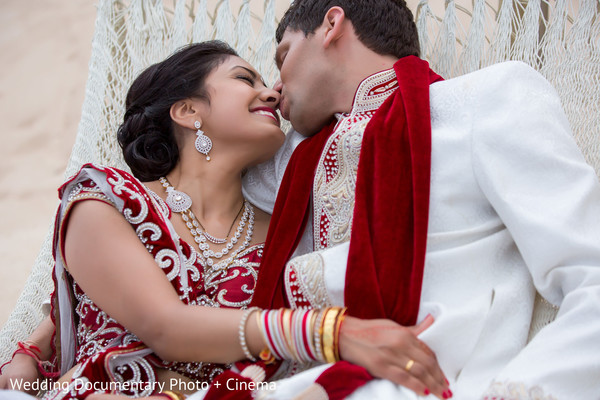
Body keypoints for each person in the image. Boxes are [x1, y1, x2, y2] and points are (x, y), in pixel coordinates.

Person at [0, 40, 448, 400]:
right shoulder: (107, 201)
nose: (271, 91)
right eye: (243, 78)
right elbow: (163, 326)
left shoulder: (287, 229)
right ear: (187, 111)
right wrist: (334, 332)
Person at [198, 0, 600, 399]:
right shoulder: (293, 159)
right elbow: (203, 164)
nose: (276, 87)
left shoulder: (483, 99)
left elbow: (592, 273)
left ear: (331, 24)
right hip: (281, 381)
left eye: (283, 55)